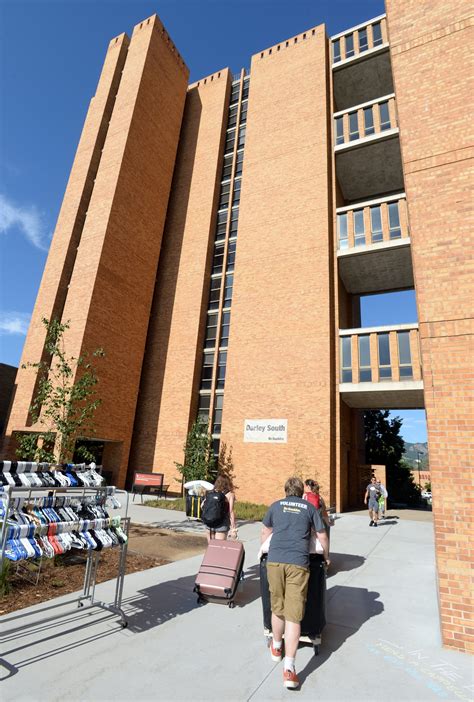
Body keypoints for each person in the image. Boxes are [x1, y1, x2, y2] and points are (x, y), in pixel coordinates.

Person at [261, 476, 329, 690]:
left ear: (286, 490)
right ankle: (289, 669)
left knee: (277, 606)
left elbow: (265, 531)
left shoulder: (275, 506)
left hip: (274, 561)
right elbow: (322, 535)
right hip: (298, 563)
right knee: (294, 615)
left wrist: (264, 548)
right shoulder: (309, 508)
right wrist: (326, 556)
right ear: (301, 491)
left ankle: (276, 647)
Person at [203, 474, 237, 542]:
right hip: (222, 524)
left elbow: (202, 505)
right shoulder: (230, 494)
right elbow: (230, 512)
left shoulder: (211, 492)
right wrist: (233, 528)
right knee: (218, 549)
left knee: (211, 548)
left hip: (209, 523)